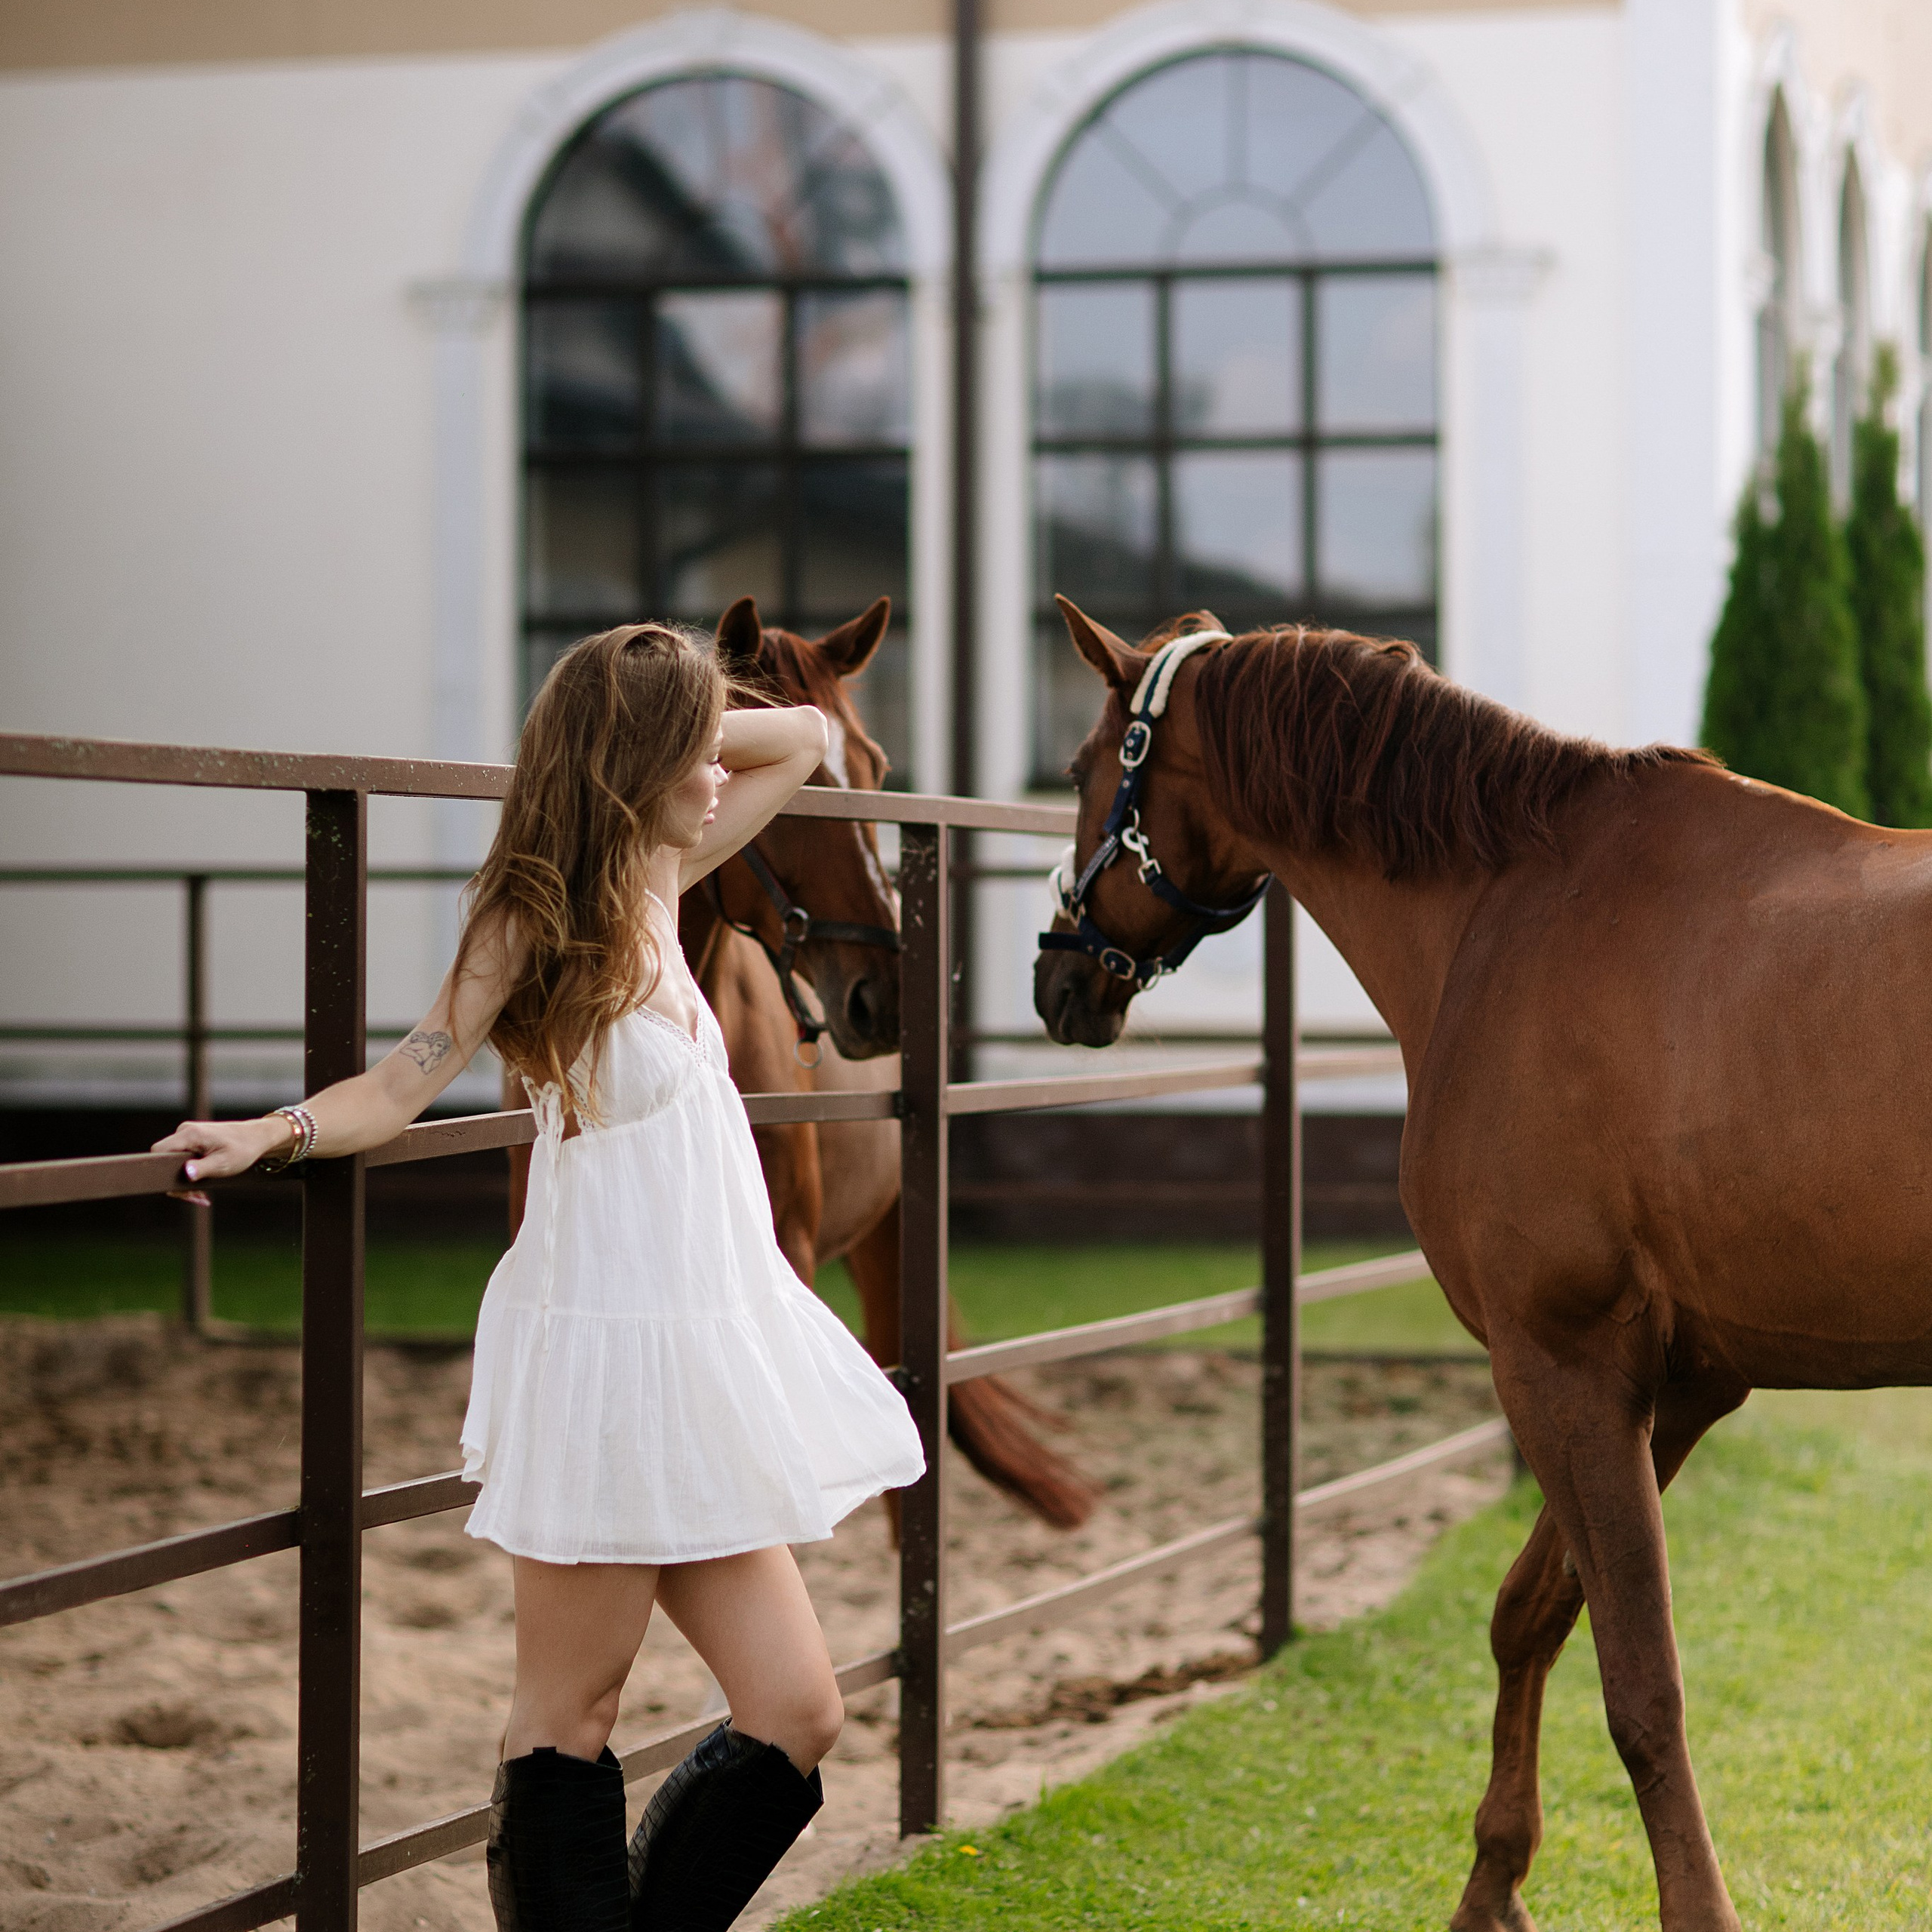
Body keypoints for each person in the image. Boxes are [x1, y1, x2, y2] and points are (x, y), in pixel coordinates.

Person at [152, 623, 925, 1931]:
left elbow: (801, 736)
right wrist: (272, 1132)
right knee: (570, 1716)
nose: (718, 771)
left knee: (798, 1711)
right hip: (603, 1354)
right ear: (639, 762)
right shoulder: (536, 916)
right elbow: (402, 1079)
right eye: (692, 748)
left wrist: (664, 724)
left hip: (704, 1353)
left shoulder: (672, 861)